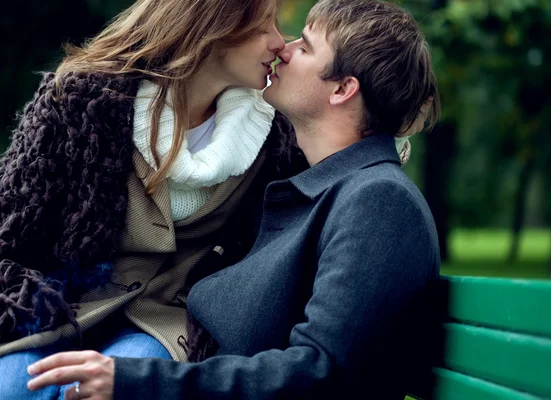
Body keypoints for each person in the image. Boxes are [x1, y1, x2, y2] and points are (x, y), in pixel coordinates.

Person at [25, 0, 441, 399]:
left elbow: (322, 372)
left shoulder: (378, 202)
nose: (285, 48)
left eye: (307, 46)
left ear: (343, 89)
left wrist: (140, 382)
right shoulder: (321, 188)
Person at [0, 0, 308, 398]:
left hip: (167, 324)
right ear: (214, 27)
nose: (278, 44)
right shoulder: (81, 99)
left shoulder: (275, 137)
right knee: (13, 388)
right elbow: (9, 226)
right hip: (59, 306)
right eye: (264, 27)